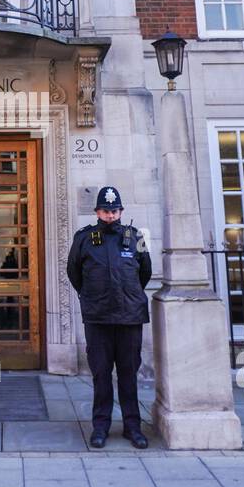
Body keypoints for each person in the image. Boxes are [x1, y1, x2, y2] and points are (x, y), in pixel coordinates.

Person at [66, 185, 152, 449]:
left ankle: (132, 427)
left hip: (129, 317)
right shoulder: (83, 238)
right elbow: (74, 273)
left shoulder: (135, 236)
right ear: (97, 212)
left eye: (114, 211)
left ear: (121, 211)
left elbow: (145, 273)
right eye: (105, 211)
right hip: (98, 318)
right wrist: (93, 297)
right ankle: (100, 427)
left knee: (128, 373)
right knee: (101, 375)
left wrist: (128, 295)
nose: (110, 215)